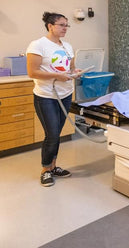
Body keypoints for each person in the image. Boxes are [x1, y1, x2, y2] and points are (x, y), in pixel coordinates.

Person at [26, 12, 84, 187]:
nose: (65, 28)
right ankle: (45, 170)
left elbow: (71, 68)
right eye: (62, 25)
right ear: (50, 26)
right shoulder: (38, 45)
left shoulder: (67, 46)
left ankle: (53, 166)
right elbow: (32, 72)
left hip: (65, 95)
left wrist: (76, 72)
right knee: (51, 134)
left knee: (56, 134)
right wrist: (56, 76)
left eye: (67, 25)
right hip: (47, 96)